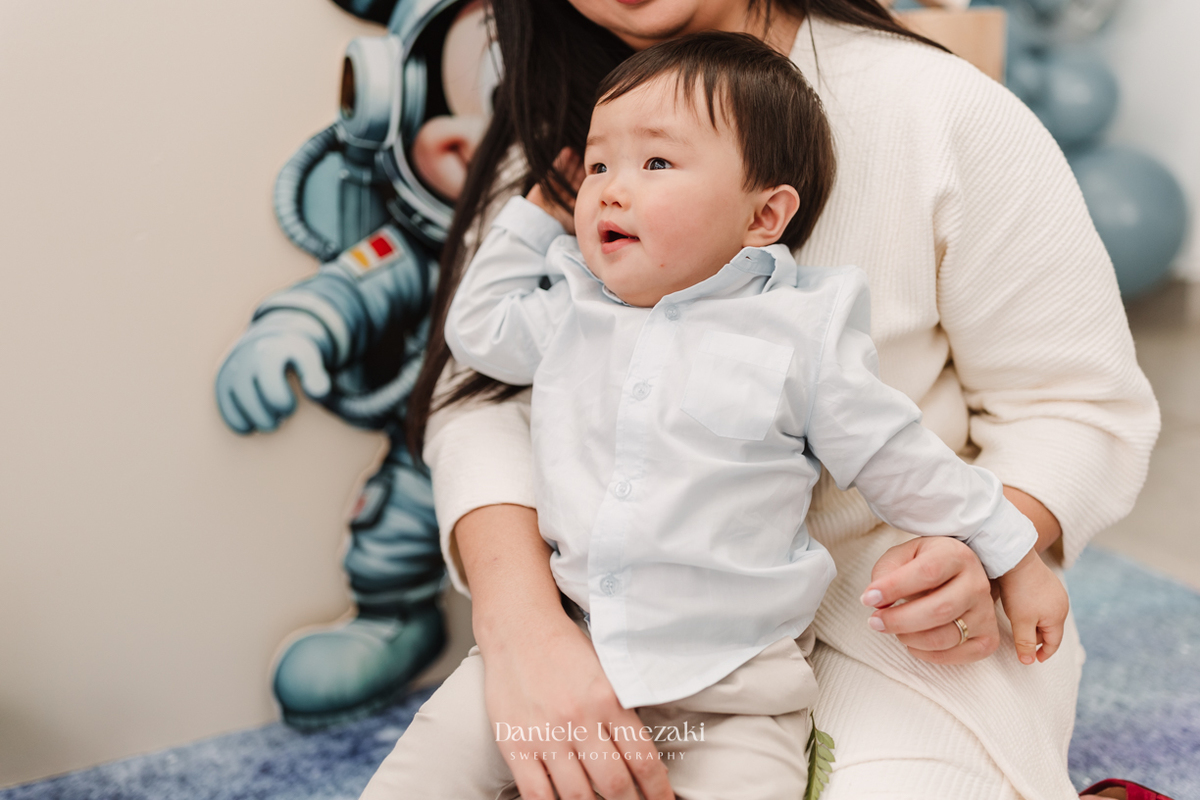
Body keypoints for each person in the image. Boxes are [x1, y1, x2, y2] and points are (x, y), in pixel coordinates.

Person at [403, 0, 1162, 798]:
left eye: (659, 163)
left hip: (893, 616)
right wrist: (523, 629)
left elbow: (1075, 404)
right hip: (619, 620)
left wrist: (989, 545)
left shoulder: (935, 106)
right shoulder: (565, 143)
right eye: (602, 166)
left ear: (770, 212)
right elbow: (482, 389)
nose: (614, 183)